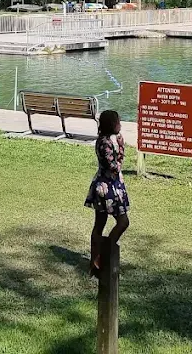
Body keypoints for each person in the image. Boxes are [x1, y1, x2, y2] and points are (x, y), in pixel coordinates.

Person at [85, 109, 131, 276]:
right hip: (107, 189)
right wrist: (121, 149)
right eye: (118, 122)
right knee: (123, 222)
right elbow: (114, 167)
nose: (120, 124)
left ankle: (96, 261)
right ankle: (103, 256)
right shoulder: (105, 143)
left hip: (108, 186)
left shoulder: (105, 140)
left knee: (99, 225)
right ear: (111, 125)